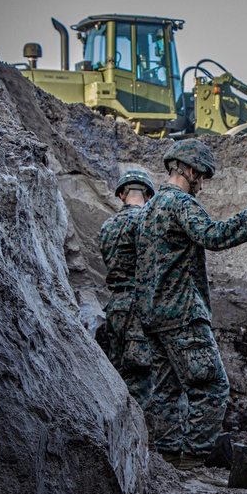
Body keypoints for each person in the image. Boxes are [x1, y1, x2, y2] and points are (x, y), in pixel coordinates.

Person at [135, 139, 247, 483]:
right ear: (192, 171)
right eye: (203, 178)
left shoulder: (149, 208)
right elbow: (211, 235)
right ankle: (194, 463)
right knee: (211, 386)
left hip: (152, 316)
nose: (202, 185)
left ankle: (169, 458)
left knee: (166, 389)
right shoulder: (180, 203)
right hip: (182, 314)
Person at [98, 169, 157, 409]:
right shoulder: (148, 222)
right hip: (139, 309)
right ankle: (134, 440)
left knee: (118, 375)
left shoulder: (106, 226)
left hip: (116, 308)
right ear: (149, 196)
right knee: (140, 380)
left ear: (121, 194)